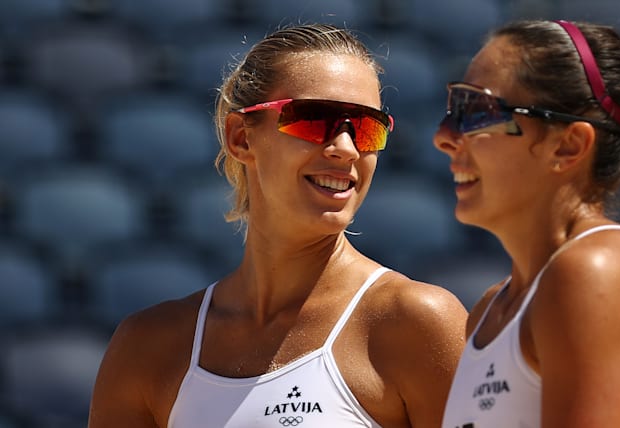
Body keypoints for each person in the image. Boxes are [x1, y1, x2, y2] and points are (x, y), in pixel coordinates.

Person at [88, 23, 468, 428]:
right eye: (314, 119)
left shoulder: (417, 322)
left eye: (365, 127)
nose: (344, 148)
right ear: (241, 138)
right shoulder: (148, 347)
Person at [434, 19, 620, 428]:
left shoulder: (597, 270)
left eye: (476, 111)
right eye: (454, 107)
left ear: (569, 144)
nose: (444, 135)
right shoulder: (491, 310)